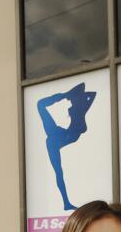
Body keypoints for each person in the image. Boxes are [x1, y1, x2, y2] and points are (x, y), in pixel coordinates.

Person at [37, 82, 96, 211]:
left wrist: (74, 94)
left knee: (40, 105)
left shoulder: (81, 108)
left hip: (61, 136)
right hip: (57, 137)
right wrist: (66, 94)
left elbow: (93, 94)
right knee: (40, 104)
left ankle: (66, 203)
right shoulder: (78, 108)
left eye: (71, 98)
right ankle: (66, 202)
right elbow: (90, 95)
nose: (69, 101)